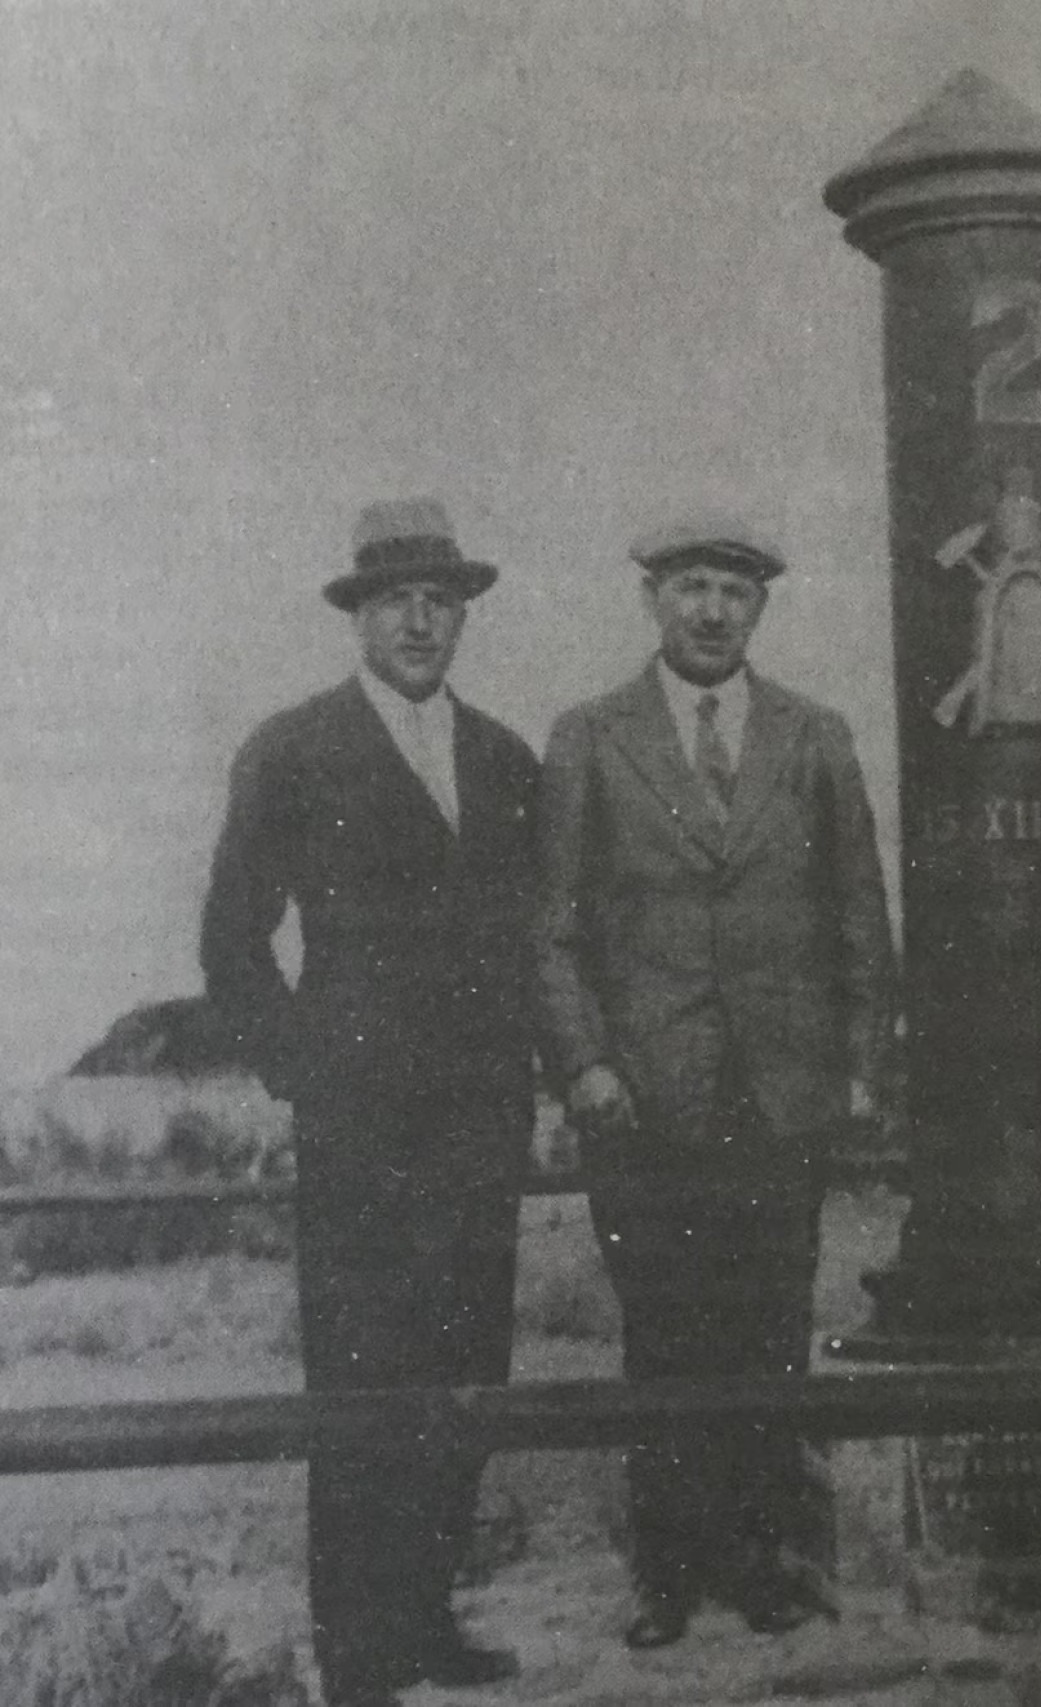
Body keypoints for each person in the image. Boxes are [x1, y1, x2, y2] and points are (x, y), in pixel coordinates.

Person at [201, 498, 538, 1707]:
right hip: (356, 1136)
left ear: (463, 616)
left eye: (439, 600)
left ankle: (425, 1615)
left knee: (463, 1372)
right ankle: (356, 1651)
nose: (418, 620)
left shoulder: (504, 759)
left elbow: (534, 939)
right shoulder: (292, 749)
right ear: (359, 615)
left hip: (479, 1132)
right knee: (358, 1381)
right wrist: (306, 1072)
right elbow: (233, 945)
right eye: (394, 599)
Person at [535, 513, 894, 1648]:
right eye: (688, 587)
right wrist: (586, 1061)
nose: (708, 611)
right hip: (642, 1103)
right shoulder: (590, 737)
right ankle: (668, 1578)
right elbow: (549, 933)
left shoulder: (814, 737)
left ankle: (769, 1567)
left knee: (768, 1332)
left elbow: (858, 918)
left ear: (760, 609)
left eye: (731, 593)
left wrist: (857, 1069)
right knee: (664, 1337)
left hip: (778, 1098)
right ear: (651, 599)